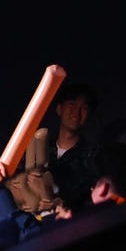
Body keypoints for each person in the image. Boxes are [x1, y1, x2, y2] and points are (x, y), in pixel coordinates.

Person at [46, 81, 101, 211]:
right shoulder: (40, 150)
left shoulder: (94, 155)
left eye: (84, 108)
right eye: (72, 104)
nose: (77, 112)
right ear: (59, 109)